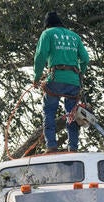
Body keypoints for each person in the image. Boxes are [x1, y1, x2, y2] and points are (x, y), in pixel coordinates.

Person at [33, 11, 89, 153]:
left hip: (55, 78)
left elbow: (40, 56)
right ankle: (73, 147)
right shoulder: (74, 36)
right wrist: (80, 74)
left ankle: (51, 145)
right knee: (72, 114)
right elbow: (85, 59)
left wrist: (36, 77)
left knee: (49, 112)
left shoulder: (48, 34)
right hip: (73, 81)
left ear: (47, 25)